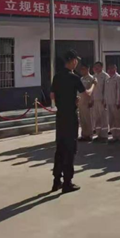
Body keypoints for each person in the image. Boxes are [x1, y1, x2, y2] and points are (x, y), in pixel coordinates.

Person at [50, 50, 85, 194]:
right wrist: (94, 85)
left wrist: (62, 101)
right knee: (70, 149)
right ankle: (67, 183)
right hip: (70, 116)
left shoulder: (57, 77)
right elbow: (86, 94)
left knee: (60, 148)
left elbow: (52, 95)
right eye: (76, 60)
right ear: (72, 61)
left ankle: (56, 180)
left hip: (60, 116)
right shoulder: (74, 77)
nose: (77, 63)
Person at [105, 64, 120, 143]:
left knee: (118, 120)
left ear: (115, 69)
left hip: (116, 103)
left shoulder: (118, 78)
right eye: (109, 68)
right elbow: (106, 91)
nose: (110, 70)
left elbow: (119, 91)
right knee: (111, 120)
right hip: (109, 102)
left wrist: (118, 102)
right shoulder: (108, 78)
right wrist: (105, 101)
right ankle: (114, 136)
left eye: (112, 68)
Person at [91, 62, 109, 143]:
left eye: (98, 66)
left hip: (102, 100)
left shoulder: (105, 76)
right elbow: (92, 89)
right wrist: (91, 99)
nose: (96, 68)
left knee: (103, 118)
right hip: (95, 100)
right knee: (97, 118)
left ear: (102, 67)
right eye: (95, 67)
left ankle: (104, 135)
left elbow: (106, 89)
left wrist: (105, 100)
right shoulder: (94, 76)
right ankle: (99, 135)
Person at [78, 64, 96, 142]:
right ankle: (84, 134)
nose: (82, 71)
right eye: (81, 69)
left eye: (83, 69)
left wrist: (92, 100)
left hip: (87, 102)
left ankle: (89, 134)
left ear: (88, 69)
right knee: (82, 119)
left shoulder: (92, 78)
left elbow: (93, 91)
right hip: (81, 101)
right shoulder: (81, 79)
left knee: (88, 119)